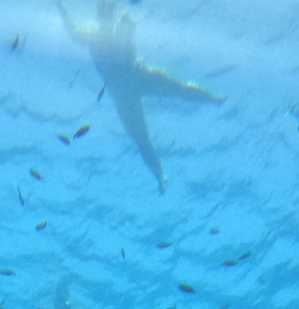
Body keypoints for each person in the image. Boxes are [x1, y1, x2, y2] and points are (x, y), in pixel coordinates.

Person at [57, 0, 225, 194]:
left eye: (108, 7)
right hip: (125, 89)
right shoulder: (94, 33)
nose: (106, 11)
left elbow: (74, 28)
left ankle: (212, 99)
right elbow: (72, 29)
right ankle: (160, 175)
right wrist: (60, 7)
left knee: (178, 90)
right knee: (142, 136)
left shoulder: (118, 23)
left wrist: (60, 7)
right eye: (104, 8)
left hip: (136, 76)